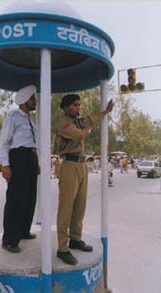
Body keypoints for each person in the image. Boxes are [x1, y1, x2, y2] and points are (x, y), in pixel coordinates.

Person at [54, 93, 113, 265]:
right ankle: (62, 248)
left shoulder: (78, 120)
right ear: (65, 107)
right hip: (69, 166)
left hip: (81, 165)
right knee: (66, 208)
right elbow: (80, 135)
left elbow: (91, 118)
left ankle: (75, 238)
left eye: (79, 105)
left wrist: (105, 112)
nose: (78, 107)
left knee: (80, 205)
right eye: (74, 105)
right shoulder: (63, 122)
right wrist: (87, 128)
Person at [0, 85, 39, 253]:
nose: (35, 102)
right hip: (18, 158)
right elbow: (4, 142)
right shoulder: (13, 117)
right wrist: (5, 165)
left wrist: (36, 163)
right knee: (16, 199)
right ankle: (9, 240)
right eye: (32, 99)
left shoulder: (30, 119)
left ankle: (23, 231)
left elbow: (33, 143)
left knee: (30, 197)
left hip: (30, 157)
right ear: (24, 101)